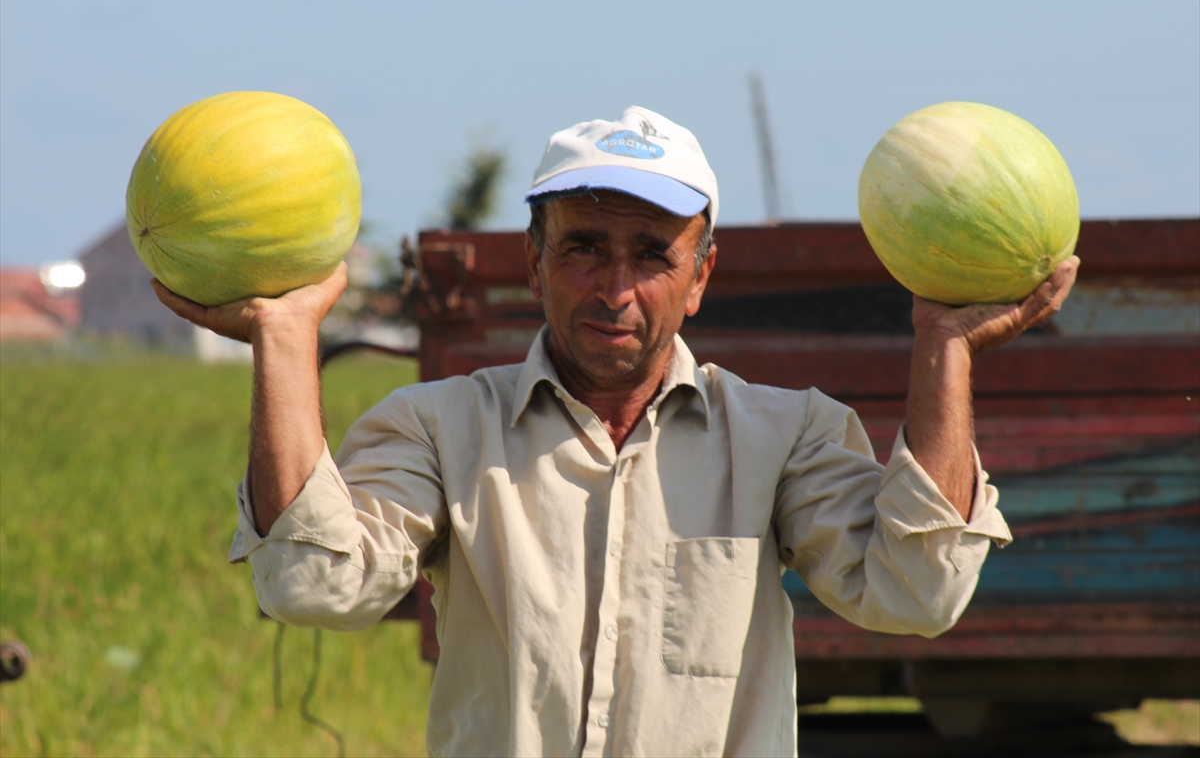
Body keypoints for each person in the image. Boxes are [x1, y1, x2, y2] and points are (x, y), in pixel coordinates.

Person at [154, 105, 1078, 757]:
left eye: (651, 255)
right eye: (585, 246)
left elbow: (915, 596)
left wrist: (945, 344)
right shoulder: (438, 427)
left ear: (702, 276)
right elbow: (312, 585)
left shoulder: (786, 434)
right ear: (534, 262)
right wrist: (283, 335)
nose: (616, 286)